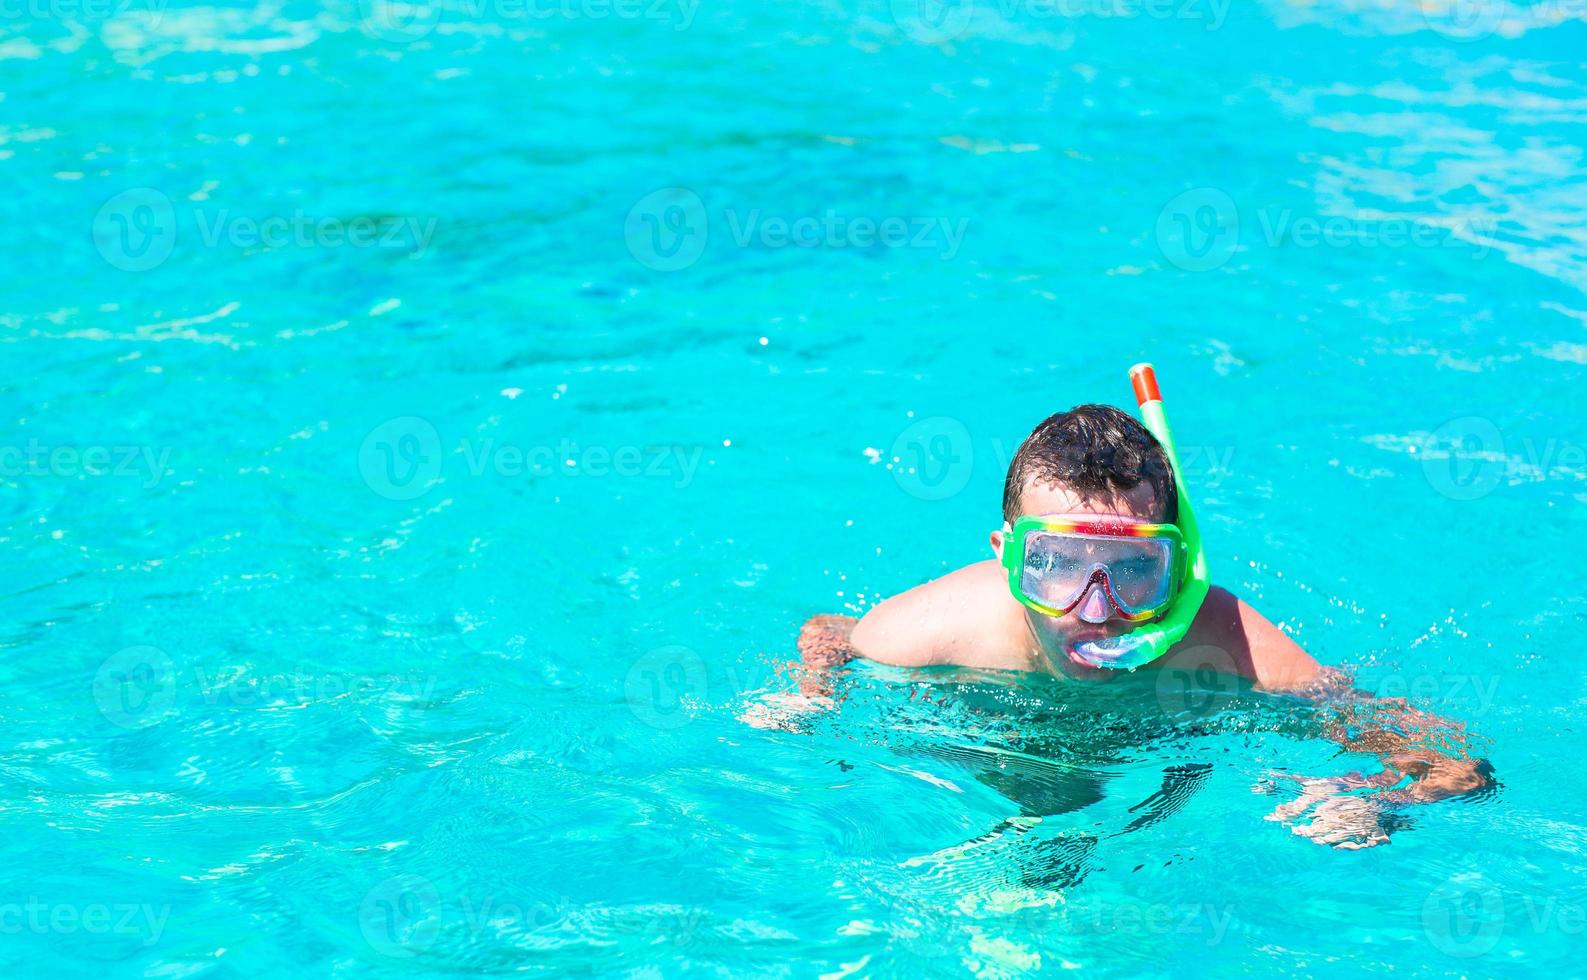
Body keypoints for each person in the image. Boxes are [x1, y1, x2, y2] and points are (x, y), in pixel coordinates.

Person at [795, 392, 1490, 848]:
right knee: (1050, 795)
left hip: (1170, 739)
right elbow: (828, 632)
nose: (1096, 610)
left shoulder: (1224, 646)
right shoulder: (923, 631)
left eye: (1133, 569)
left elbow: (1453, 762)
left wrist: (1373, 801)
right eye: (1059, 564)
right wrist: (804, 693)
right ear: (1007, 560)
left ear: (1177, 569)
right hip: (1015, 738)